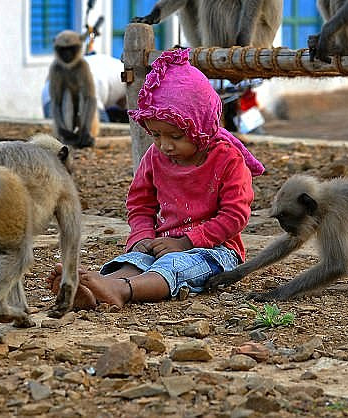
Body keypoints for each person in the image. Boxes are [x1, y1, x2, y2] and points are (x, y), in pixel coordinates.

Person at [48, 48, 265, 309]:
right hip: (162, 243)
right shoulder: (155, 156)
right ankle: (93, 290)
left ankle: (121, 290)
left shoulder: (228, 160)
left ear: (202, 125)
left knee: (172, 266)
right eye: (156, 135)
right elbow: (140, 203)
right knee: (134, 261)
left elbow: (234, 216)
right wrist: (142, 236)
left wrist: (186, 242)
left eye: (176, 136)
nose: (165, 145)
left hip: (216, 251)